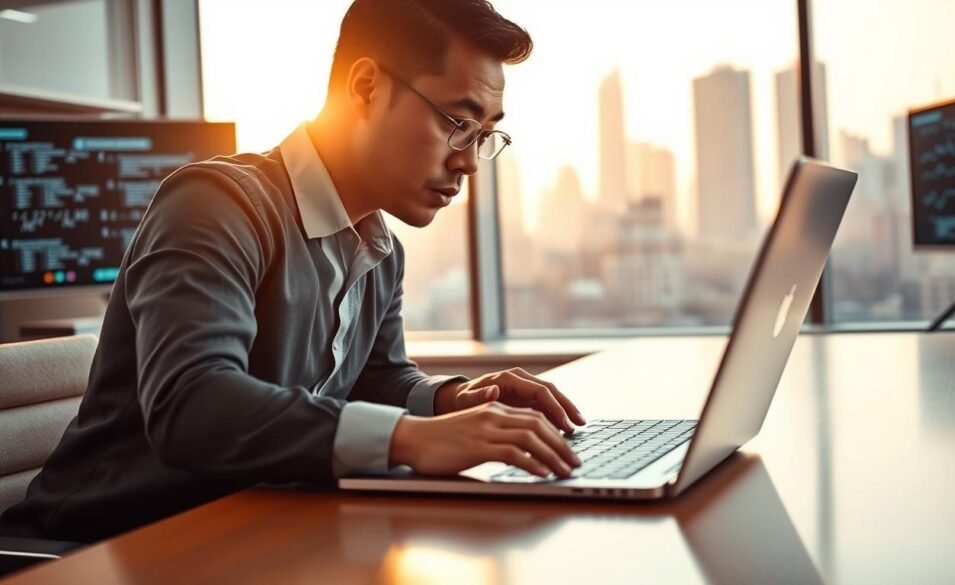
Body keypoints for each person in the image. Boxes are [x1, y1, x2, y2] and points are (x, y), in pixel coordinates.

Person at [0, 0, 585, 544]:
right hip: (91, 548)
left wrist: (453, 401)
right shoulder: (214, 205)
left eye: (484, 135)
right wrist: (412, 438)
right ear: (366, 87)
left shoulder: (380, 248)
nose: (469, 162)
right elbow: (192, 405)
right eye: (457, 122)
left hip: (242, 534)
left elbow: (374, 380)